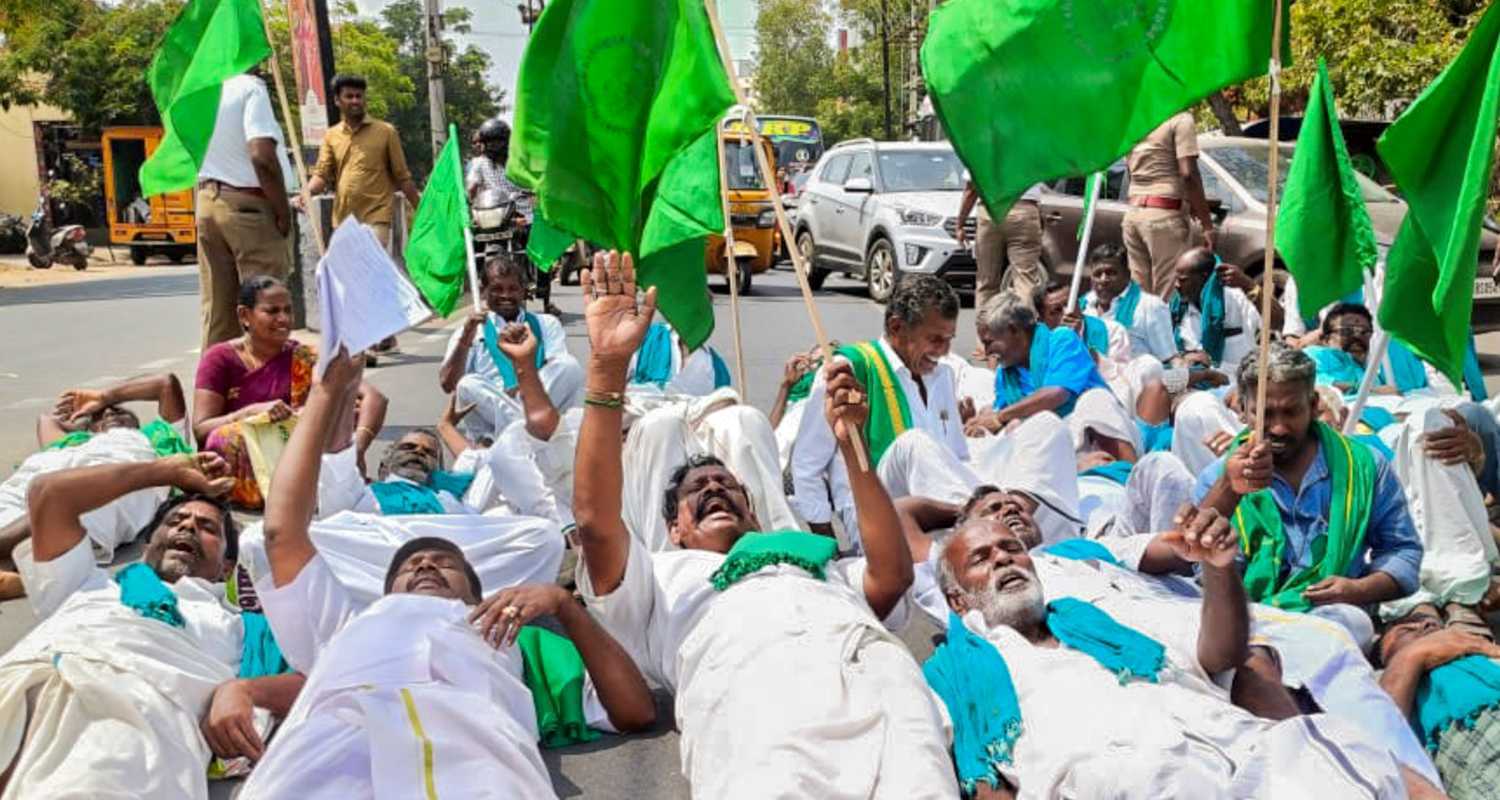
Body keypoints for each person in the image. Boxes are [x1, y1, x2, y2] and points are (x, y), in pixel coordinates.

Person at [572, 251, 957, 798]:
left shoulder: (808, 561)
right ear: (673, 530)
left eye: (727, 485)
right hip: (751, 694)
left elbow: (890, 578)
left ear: (755, 510)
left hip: (872, 673)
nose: (714, 488)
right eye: (695, 491)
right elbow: (594, 520)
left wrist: (852, 446)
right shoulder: (656, 579)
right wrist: (607, 370)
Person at [239, 349, 655, 799]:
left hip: (478, 773)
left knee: (543, 537)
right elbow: (280, 531)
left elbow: (634, 711)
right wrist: (326, 390)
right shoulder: (344, 624)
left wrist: (563, 605)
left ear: (480, 596)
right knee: (257, 542)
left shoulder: (510, 638)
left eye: (444, 564)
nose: (423, 563)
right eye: (409, 568)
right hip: (327, 767)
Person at [925, 515, 1410, 798]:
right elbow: (981, 777)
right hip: (1129, 782)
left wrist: (1220, 571)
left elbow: (1222, 653)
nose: (1004, 558)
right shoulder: (955, 673)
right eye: (982, 558)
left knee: (1340, 750)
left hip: (1235, 749)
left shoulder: (1101, 621)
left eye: (1010, 548)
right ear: (956, 600)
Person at [0, 455, 305, 799]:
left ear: (227, 568)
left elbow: (328, 677)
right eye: (176, 520)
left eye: (207, 528)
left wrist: (246, 691)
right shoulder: (89, 583)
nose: (188, 527)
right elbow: (49, 493)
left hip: (120, 738)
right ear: (146, 548)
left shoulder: (243, 630)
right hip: (18, 692)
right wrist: (167, 472)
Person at [1194, 344, 1422, 636]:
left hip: (1339, 619)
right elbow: (1207, 571)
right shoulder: (1218, 480)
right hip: (1251, 621)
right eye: (1265, 414)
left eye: (1291, 412)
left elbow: (1403, 551)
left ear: (1314, 405)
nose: (1278, 428)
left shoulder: (1364, 468)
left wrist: (1358, 589)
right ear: (1242, 411)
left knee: (1344, 624)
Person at [792, 274, 967, 544]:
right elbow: (807, 466)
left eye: (949, 339)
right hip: (878, 513)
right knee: (915, 444)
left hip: (945, 510)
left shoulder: (943, 375)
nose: (944, 351)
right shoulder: (849, 369)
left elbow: (957, 459)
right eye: (935, 339)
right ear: (897, 327)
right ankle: (974, 522)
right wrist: (831, 549)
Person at [194, 275, 387, 509]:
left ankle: (313, 487)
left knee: (346, 411)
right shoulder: (220, 358)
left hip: (303, 452)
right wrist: (249, 414)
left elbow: (375, 398)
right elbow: (201, 430)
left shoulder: (305, 357)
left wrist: (357, 449)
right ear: (244, 315)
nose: (283, 319)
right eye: (272, 311)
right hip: (252, 458)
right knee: (224, 438)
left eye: (288, 310)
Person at [0, 373, 194, 598]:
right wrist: (81, 418)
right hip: (34, 485)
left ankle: (11, 563)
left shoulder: (160, 439)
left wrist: (104, 397)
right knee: (19, 497)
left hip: (109, 488)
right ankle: (11, 572)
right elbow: (47, 420)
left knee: (65, 505)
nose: (110, 411)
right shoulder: (71, 444)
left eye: (119, 410)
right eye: (101, 414)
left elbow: (165, 384)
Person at [302, 73, 421, 356]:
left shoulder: (385, 132)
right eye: (349, 96)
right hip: (344, 219)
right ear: (337, 101)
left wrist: (422, 209)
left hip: (378, 214)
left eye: (359, 96)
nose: (356, 101)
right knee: (357, 278)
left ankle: (365, 341)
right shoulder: (331, 136)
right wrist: (306, 194)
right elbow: (322, 175)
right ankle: (386, 333)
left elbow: (403, 177)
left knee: (367, 274)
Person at [968, 293, 1136, 464]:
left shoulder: (1062, 339)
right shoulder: (1005, 374)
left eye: (989, 342)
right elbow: (1001, 417)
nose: (987, 352)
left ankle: (1127, 474)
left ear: (1014, 330)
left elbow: (1056, 393)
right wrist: (982, 425)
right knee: (1015, 427)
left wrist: (1000, 416)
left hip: (1099, 438)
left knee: (1096, 400)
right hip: (1057, 453)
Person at [194, 67, 294, 347]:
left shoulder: (205, 88)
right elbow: (261, 155)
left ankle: (214, 387)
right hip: (249, 205)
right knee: (268, 305)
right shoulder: (251, 87)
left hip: (208, 200)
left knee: (218, 310)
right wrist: (282, 210)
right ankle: (265, 385)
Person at [439, 255, 583, 442]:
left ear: (523, 291)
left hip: (537, 397)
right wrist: (466, 339)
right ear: (484, 291)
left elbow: (556, 372)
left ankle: (520, 428)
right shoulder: (471, 330)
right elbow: (448, 385)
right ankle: (526, 428)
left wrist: (519, 391)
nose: (506, 295)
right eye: (497, 289)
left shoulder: (546, 324)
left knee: (569, 365)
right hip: (495, 417)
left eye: (513, 289)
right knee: (468, 384)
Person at [1377, 609, 1500, 799]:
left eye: (1433, 623)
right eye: (1405, 630)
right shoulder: (1380, 688)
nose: (1426, 625)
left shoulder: (1484, 655)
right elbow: (1377, 737)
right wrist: (1412, 656)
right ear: (1383, 659)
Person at [1122, 110, 1217, 297]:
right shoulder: (1180, 118)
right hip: (1164, 216)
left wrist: (1188, 201)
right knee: (1169, 294)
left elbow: (1130, 169)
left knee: (1141, 299)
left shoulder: (1138, 120)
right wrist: (1207, 225)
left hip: (1133, 214)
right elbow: (1188, 174)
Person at [955, 179, 1046, 316]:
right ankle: (1025, 333)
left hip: (990, 208)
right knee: (1025, 279)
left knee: (987, 281)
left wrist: (960, 224)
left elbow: (971, 187)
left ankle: (985, 333)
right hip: (1024, 208)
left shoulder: (983, 155)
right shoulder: (1033, 155)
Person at [1170, 248, 1261, 378]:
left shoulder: (1234, 298)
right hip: (1196, 381)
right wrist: (1185, 359)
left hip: (1237, 381)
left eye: (1183, 280)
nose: (1176, 285)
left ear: (1204, 277)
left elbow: (1276, 323)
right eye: (1176, 279)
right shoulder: (1178, 308)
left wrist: (1250, 286)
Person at [1079, 242, 1177, 360]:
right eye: (1097, 274)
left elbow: (1168, 358)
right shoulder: (1082, 307)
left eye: (1111, 273)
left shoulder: (1150, 306)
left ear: (1127, 274)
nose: (1103, 280)